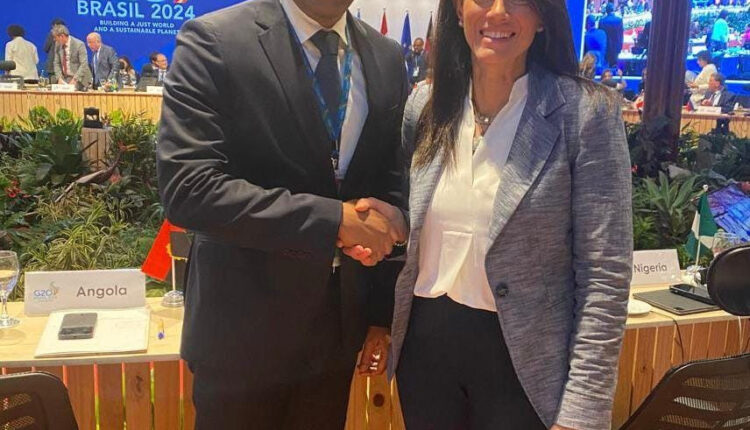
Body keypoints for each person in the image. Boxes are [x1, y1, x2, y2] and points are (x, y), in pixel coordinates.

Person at [363, 0, 633, 428]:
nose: (498, 12)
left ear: (542, 17)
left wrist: (583, 409)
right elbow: (424, 216)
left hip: (526, 362)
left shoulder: (584, 113)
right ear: (457, 10)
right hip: (426, 352)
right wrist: (396, 223)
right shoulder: (426, 106)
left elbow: (605, 274)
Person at [156, 0, 409, 428]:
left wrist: (380, 314)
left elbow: (389, 182)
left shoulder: (384, 56)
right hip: (241, 335)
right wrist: (332, 221)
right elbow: (189, 188)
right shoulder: (216, 40)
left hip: (335, 336)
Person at [599, 2, 624, 67]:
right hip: (616, 48)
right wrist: (620, 47)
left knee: (605, 68)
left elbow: (600, 36)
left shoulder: (602, 21)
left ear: (606, 10)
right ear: (613, 10)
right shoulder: (619, 20)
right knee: (614, 67)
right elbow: (621, 35)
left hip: (605, 48)